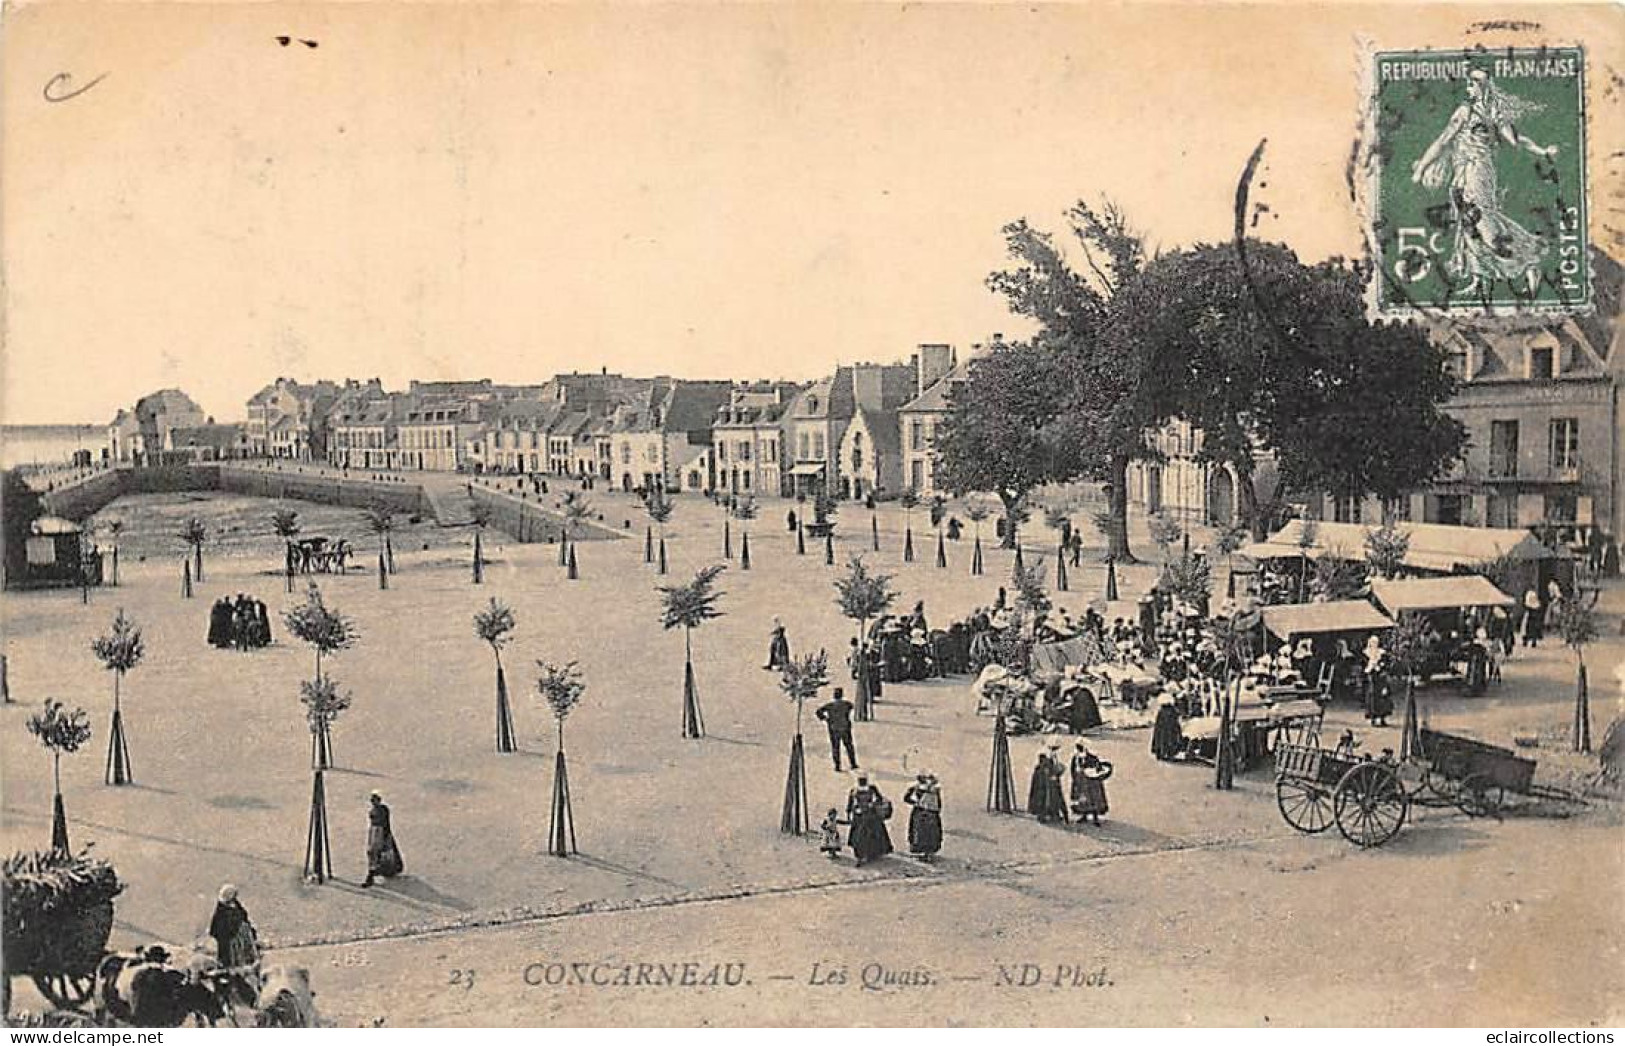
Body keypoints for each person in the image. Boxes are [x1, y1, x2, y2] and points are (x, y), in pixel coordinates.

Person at [209, 884, 259, 972]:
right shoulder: (221, 911)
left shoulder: (236, 906)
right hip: (231, 941)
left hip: (243, 939)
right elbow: (218, 928)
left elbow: (244, 917)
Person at [845, 775, 893, 866]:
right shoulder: (854, 790)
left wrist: (872, 804)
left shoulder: (871, 788)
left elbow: (880, 798)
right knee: (859, 836)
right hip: (859, 816)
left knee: (872, 835)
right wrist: (849, 813)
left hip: (870, 815)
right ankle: (861, 855)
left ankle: (872, 853)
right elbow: (850, 803)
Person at [362, 790, 404, 888]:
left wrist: (386, 834)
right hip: (374, 832)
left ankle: (372, 874)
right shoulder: (373, 810)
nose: (373, 802)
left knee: (376, 852)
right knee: (372, 852)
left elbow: (385, 823)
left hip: (380, 832)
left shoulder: (383, 810)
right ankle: (372, 873)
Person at [816, 687, 859, 772]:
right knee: (849, 746)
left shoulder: (829, 706)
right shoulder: (847, 704)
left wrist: (826, 719)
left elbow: (818, 712)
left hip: (833, 728)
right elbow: (852, 707)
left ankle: (837, 766)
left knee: (835, 747)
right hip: (845, 728)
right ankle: (853, 763)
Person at [903, 772, 943, 860]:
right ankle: (928, 853)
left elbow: (906, 798)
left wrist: (915, 803)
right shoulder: (935, 790)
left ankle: (922, 852)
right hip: (932, 813)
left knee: (919, 833)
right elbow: (939, 804)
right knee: (931, 833)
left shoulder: (916, 787)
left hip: (919, 812)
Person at [1070, 742, 1111, 825]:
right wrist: (1075, 779)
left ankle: (1095, 817)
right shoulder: (1076, 757)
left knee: (1093, 799)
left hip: (1091, 782)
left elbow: (1098, 768)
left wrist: (1093, 772)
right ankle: (1084, 815)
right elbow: (1073, 769)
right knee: (1083, 799)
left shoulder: (1092, 757)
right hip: (1081, 781)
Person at [1151, 689, 1184, 761]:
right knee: (1170, 740)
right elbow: (1176, 717)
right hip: (1170, 728)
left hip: (1162, 728)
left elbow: (1158, 721)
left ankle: (1160, 753)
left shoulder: (1161, 710)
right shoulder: (1172, 710)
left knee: (1161, 739)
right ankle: (1169, 754)